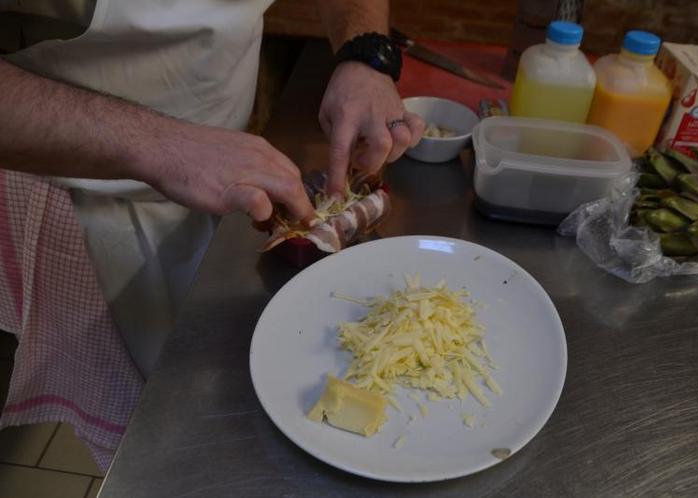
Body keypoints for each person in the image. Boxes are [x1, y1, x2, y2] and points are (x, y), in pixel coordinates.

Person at [0, 0, 424, 468]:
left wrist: (364, 52)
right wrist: (161, 143)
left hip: (219, 178)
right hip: (56, 196)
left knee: (195, 424)